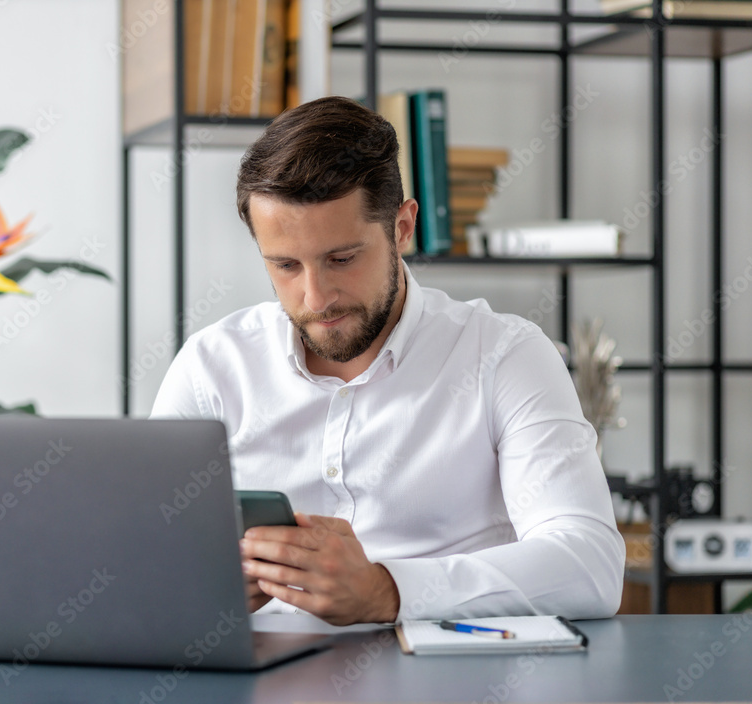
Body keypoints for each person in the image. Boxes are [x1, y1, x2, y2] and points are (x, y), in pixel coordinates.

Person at [151, 96, 625, 626]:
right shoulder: (212, 366)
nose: (315, 297)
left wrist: (387, 591)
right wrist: (195, 585)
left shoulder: (504, 355)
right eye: (285, 265)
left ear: (402, 227)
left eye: (342, 259)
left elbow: (590, 565)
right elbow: (137, 557)